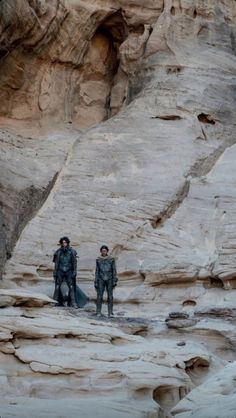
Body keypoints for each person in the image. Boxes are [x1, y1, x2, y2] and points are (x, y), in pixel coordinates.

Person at [53, 236, 78, 308]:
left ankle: (73, 303)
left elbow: (74, 262)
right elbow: (56, 263)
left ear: (67, 243)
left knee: (71, 286)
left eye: (65, 242)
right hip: (60, 271)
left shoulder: (72, 251)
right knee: (57, 286)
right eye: (63, 242)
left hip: (69, 271)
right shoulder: (58, 252)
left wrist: (74, 271)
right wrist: (55, 272)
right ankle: (55, 302)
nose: (64, 244)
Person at [94, 245, 118, 317]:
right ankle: (98, 312)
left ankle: (110, 312)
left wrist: (114, 280)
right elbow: (97, 271)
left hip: (110, 278)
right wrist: (96, 281)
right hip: (101, 279)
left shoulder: (111, 259)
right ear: (101, 251)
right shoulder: (98, 260)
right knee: (99, 296)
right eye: (102, 250)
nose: (104, 252)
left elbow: (114, 270)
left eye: (105, 250)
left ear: (107, 251)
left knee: (110, 296)